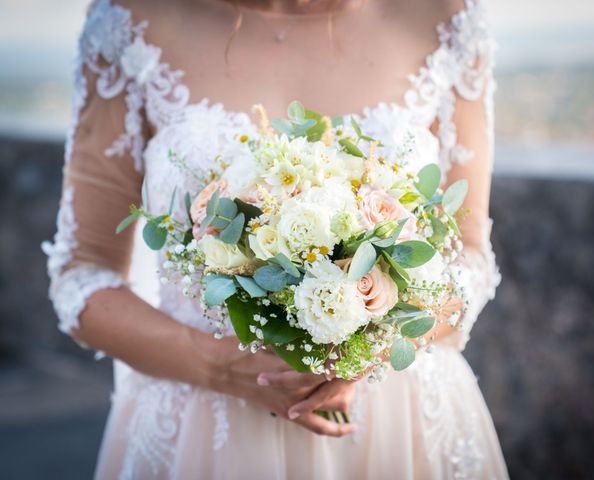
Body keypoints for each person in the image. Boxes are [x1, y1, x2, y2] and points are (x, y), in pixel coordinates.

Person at [43, 0, 509, 477]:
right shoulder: (130, 21)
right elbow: (82, 275)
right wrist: (223, 368)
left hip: (397, 424)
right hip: (204, 432)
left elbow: (468, 258)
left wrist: (369, 351)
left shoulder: (445, 18)